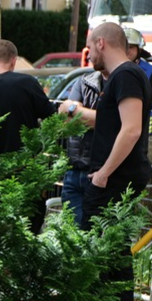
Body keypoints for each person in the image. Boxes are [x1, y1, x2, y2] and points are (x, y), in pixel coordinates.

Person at [82, 21, 152, 301]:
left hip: (113, 180)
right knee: (112, 251)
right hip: (113, 178)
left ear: (102, 43)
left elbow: (131, 129)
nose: (87, 54)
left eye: (90, 46)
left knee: (103, 251)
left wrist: (103, 173)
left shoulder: (125, 75)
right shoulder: (125, 76)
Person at [0, 39, 59, 231]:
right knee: (27, 231)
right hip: (25, 173)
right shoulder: (28, 84)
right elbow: (52, 119)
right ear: (14, 61)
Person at [59, 67, 104, 227]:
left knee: (97, 234)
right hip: (74, 171)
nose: (89, 55)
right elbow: (65, 119)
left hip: (100, 175)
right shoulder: (84, 81)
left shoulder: (121, 82)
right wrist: (89, 117)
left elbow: (108, 122)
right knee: (73, 234)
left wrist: (75, 110)